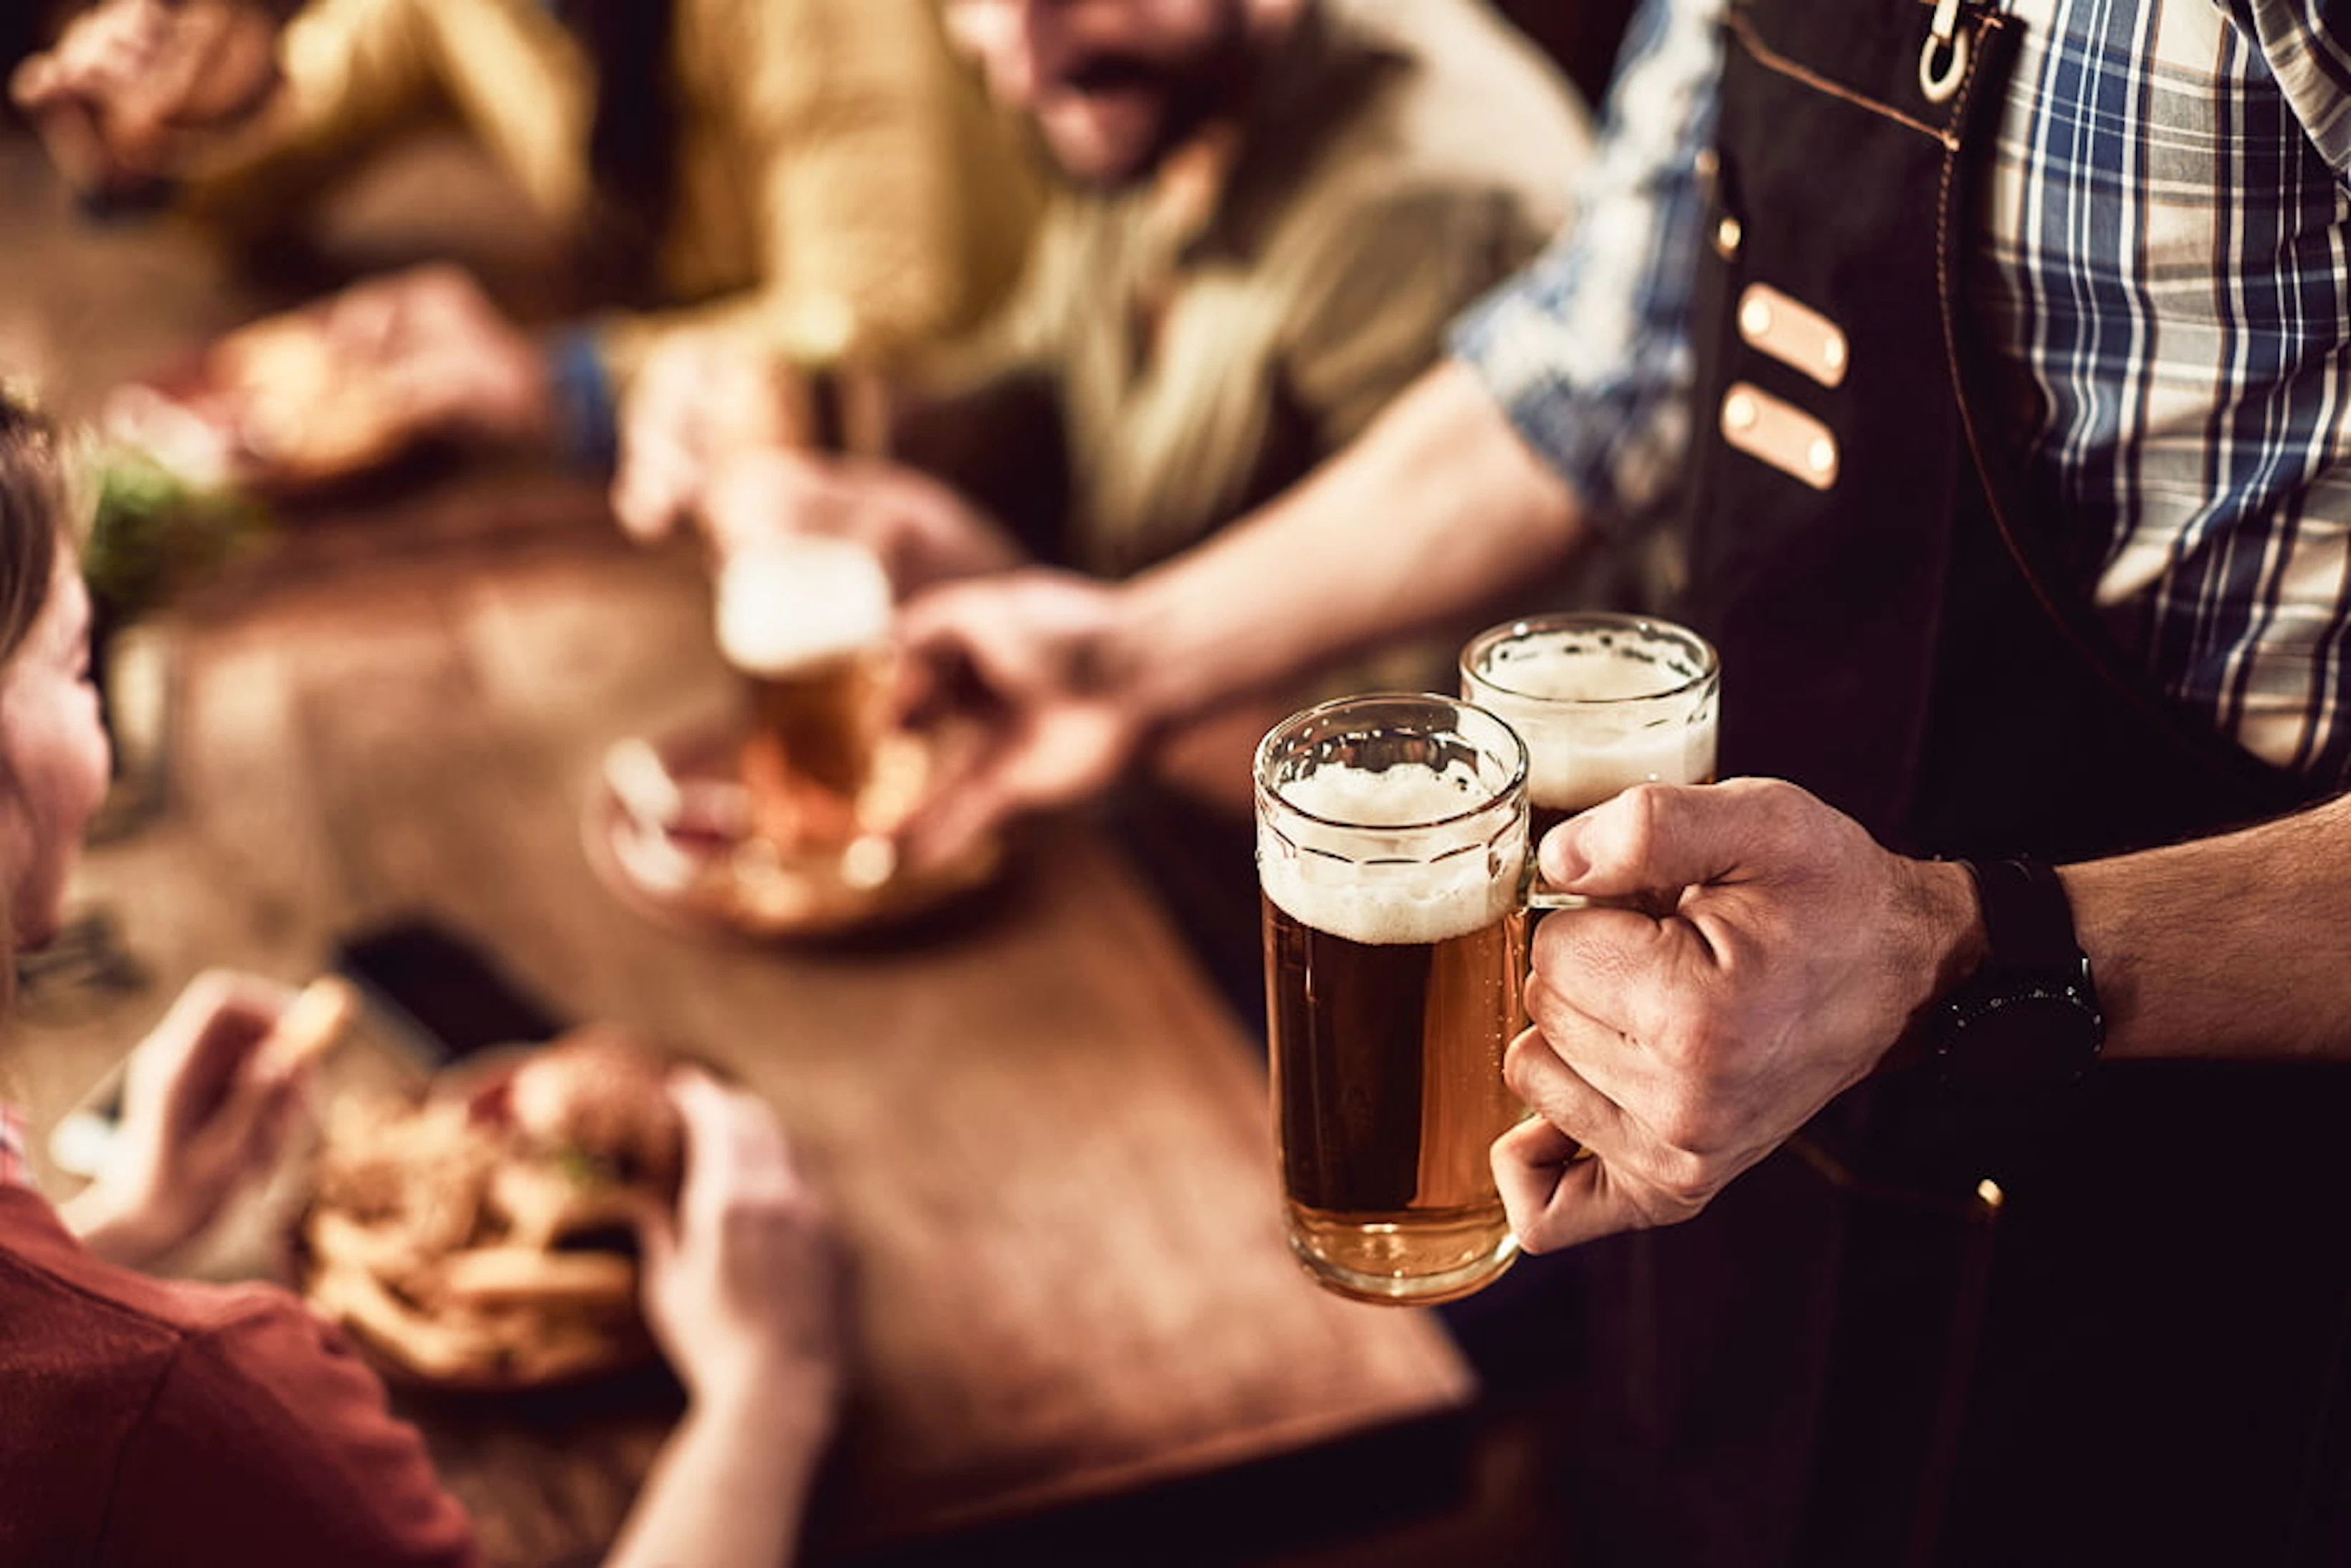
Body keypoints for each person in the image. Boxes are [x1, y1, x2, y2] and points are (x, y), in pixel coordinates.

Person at [892, 1, 2351, 1563]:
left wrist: (1954, 943)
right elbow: (1593, 373)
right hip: (1718, 1123)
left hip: (2160, 1221)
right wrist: (1125, 660)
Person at [0, 392, 851, 1564]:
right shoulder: (211, 1402)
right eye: (75, 666)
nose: (98, 736)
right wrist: (771, 1391)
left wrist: (109, 1237)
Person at [617, 0, 1591, 1015]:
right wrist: (807, 406)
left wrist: (1042, 616)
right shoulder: (1152, 94)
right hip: (1118, 864)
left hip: (1322, 987)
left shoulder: (1429, 207)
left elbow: (1422, 787)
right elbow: (1044, 388)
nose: (1017, 69)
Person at [9, 0, 1040, 478]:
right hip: (696, 457)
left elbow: (889, 317)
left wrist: (564, 385)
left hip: (1003, 452)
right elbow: (302, 130)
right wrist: (171, 131)